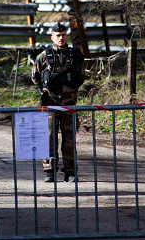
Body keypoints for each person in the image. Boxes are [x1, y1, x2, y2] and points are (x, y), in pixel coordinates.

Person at [32, 22, 85, 183]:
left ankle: (70, 171)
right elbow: (35, 78)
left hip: (69, 104)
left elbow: (81, 76)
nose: (60, 38)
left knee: (69, 138)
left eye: (63, 35)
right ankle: (49, 170)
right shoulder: (44, 56)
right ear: (52, 37)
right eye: (57, 35)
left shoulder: (75, 55)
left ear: (66, 36)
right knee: (49, 138)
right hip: (50, 103)